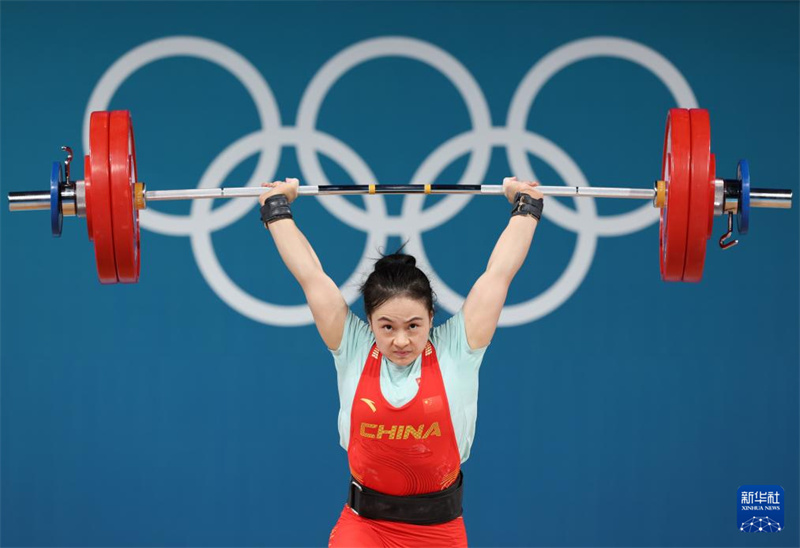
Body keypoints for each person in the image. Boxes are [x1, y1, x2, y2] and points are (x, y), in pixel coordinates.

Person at [258, 177, 544, 548]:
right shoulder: (354, 346)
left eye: (414, 325)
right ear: (370, 322)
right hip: (366, 528)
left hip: (440, 532)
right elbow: (311, 277)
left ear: (431, 316)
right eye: (386, 326)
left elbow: (499, 275)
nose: (401, 340)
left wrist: (526, 208)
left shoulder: (458, 346)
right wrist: (277, 208)